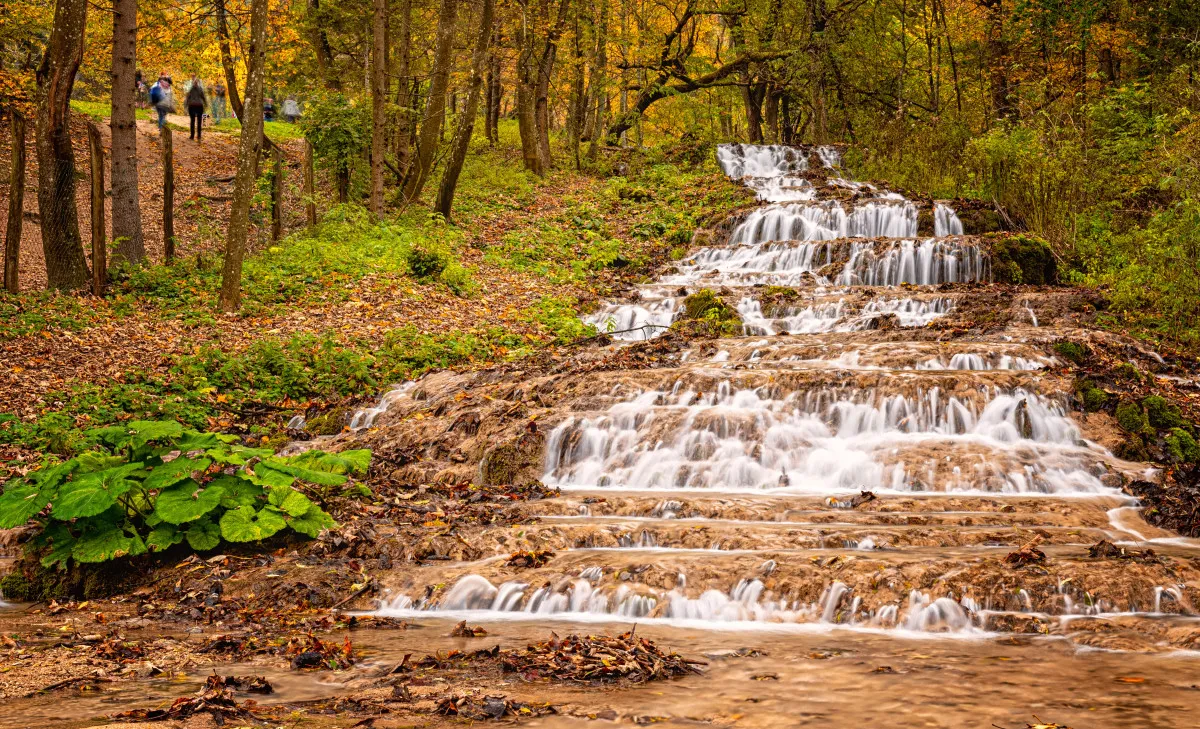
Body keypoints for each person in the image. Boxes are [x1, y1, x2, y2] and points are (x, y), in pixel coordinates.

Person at [185, 74, 207, 141]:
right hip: (199, 105)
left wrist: (186, 105)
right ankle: (199, 136)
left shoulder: (190, 89)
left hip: (192, 105)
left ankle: (192, 136)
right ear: (198, 83)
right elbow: (203, 97)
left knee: (192, 121)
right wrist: (205, 103)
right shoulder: (200, 89)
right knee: (199, 121)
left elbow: (187, 97)